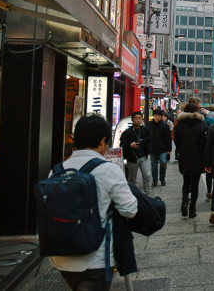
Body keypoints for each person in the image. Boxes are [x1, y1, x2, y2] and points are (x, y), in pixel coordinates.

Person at [49, 114, 137, 290]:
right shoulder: (107, 169)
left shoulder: (57, 170)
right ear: (104, 140)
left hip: (60, 255)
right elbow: (130, 210)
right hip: (95, 258)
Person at [173, 99, 207, 219]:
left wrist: (181, 149)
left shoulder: (180, 124)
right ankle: (192, 209)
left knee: (186, 181)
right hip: (197, 156)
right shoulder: (201, 124)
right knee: (196, 183)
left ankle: (184, 203)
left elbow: (176, 140)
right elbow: (205, 141)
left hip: (184, 155)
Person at [120, 111, 152, 194]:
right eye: (136, 118)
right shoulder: (127, 132)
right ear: (132, 120)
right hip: (132, 158)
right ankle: (133, 194)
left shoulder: (145, 130)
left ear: (142, 120)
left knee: (147, 175)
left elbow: (150, 141)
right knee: (132, 179)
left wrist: (149, 149)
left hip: (143, 156)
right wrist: (130, 145)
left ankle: (147, 193)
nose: (138, 120)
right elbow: (122, 143)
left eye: (140, 118)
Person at [146, 108, 172, 187]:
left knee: (163, 162)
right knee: (154, 165)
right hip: (152, 148)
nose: (157, 117)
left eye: (159, 116)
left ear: (161, 116)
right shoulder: (149, 125)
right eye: (155, 115)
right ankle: (155, 179)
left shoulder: (164, 126)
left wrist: (169, 149)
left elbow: (168, 138)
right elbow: (146, 137)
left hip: (162, 148)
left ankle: (162, 178)